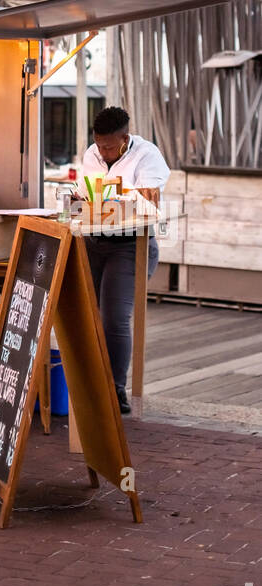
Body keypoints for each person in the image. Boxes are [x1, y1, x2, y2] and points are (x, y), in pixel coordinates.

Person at [80, 105, 169, 416]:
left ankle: (115, 389)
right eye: (98, 144)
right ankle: (86, 383)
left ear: (124, 138)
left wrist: (118, 197)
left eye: (108, 146)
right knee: (86, 314)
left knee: (114, 318)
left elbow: (148, 198)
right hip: (94, 241)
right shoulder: (91, 154)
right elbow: (85, 194)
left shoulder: (147, 155)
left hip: (131, 244)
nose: (102, 152)